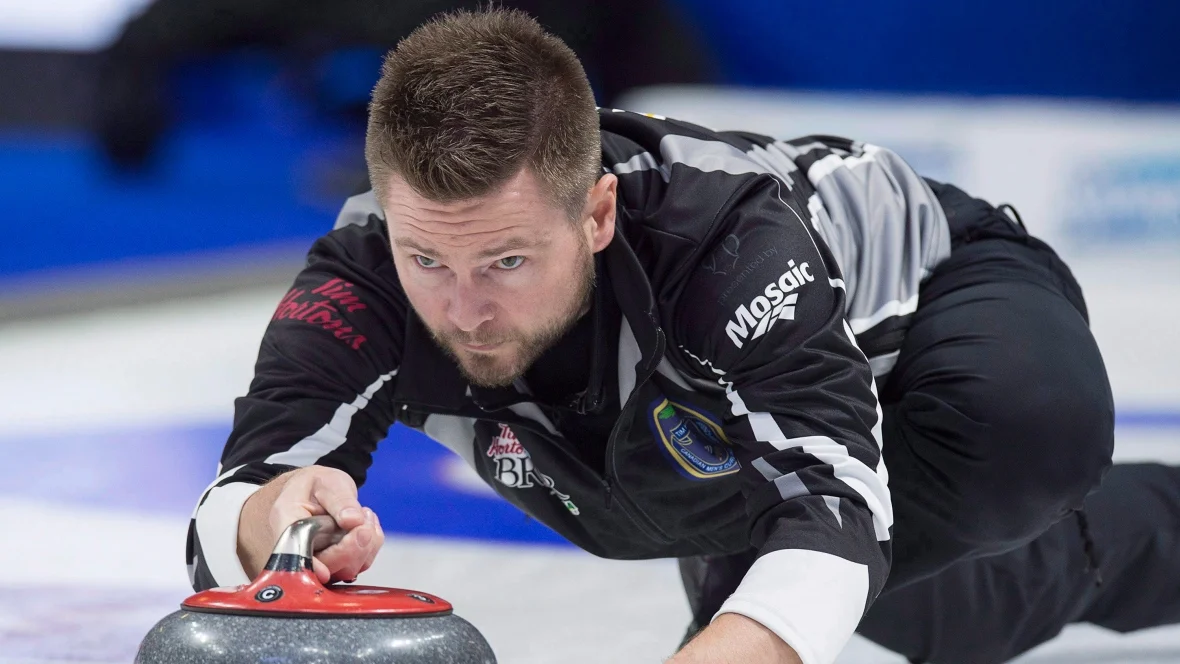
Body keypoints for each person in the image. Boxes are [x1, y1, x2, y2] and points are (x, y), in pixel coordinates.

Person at [185, 9, 1180, 664]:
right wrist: (280, 523)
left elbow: (833, 505)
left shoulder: (721, 242)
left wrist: (745, 625)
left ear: (597, 212)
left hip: (925, 300)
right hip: (675, 429)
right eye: (428, 260)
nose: (465, 308)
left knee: (1021, 429)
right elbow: (244, 491)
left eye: (508, 261)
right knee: (921, 615)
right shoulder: (366, 271)